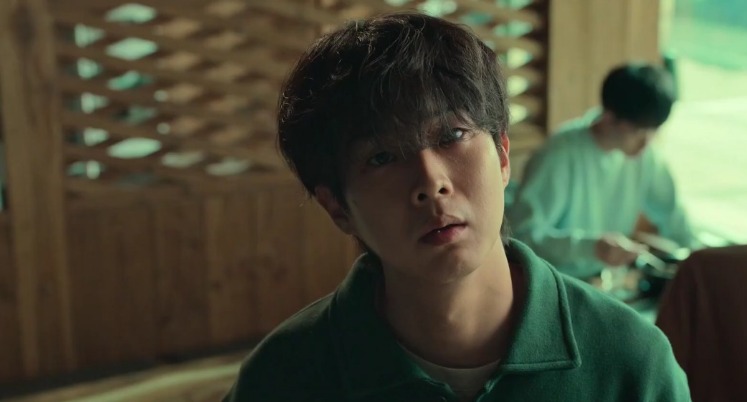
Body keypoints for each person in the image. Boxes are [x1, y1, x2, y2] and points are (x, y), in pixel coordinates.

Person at [223, 14, 689, 402]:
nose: (431, 183)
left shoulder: (630, 361)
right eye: (381, 157)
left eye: (452, 135)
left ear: (502, 156)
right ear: (337, 207)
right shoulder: (283, 378)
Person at [508, 63, 698, 279]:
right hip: (555, 280)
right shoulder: (559, 155)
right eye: (638, 131)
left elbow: (672, 216)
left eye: (653, 132)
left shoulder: (646, 158)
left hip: (605, 280)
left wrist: (698, 259)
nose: (646, 143)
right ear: (608, 117)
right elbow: (523, 237)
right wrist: (592, 248)